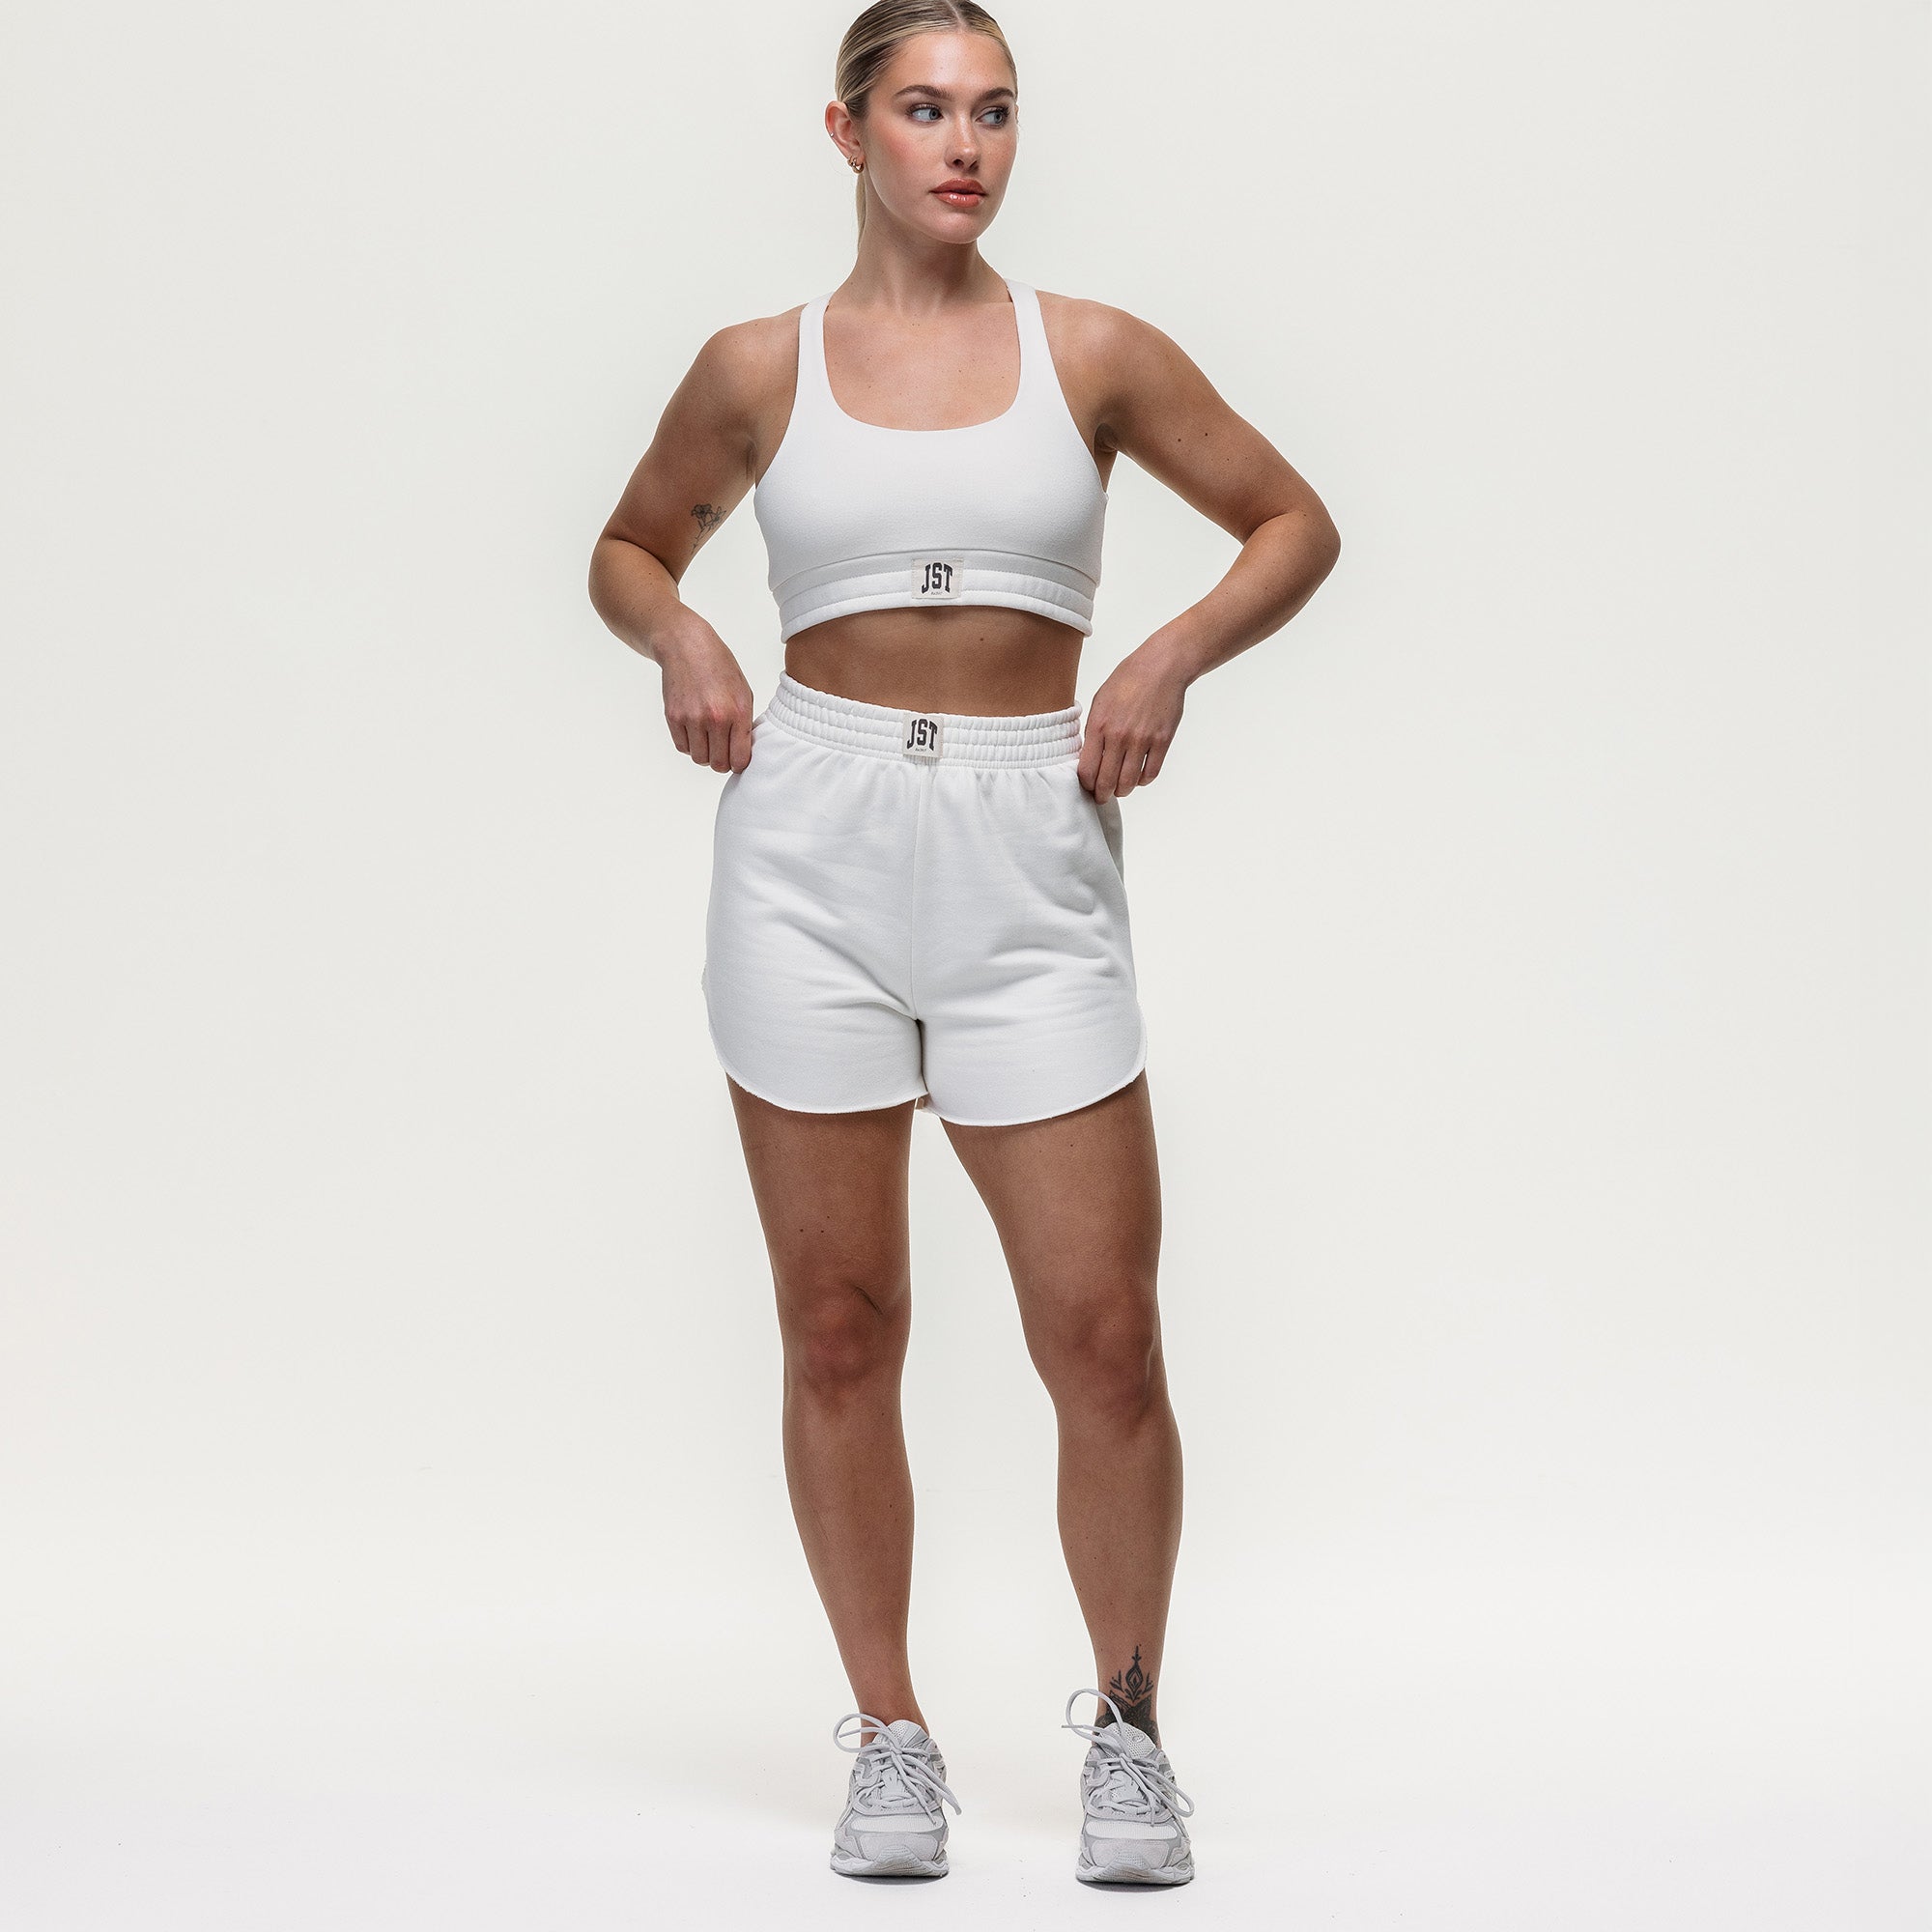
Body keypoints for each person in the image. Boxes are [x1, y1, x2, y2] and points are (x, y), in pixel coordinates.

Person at [587, 0, 1339, 1889]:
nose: (965, 146)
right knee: (841, 1326)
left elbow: (1289, 521)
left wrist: (1164, 656)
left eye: (994, 112)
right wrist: (681, 631)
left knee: (1104, 1336)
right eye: (924, 110)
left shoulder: (1091, 353)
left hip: (1027, 852)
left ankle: (1131, 1732)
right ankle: (891, 1733)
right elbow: (626, 547)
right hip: (812, 847)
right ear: (847, 133)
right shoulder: (758, 367)